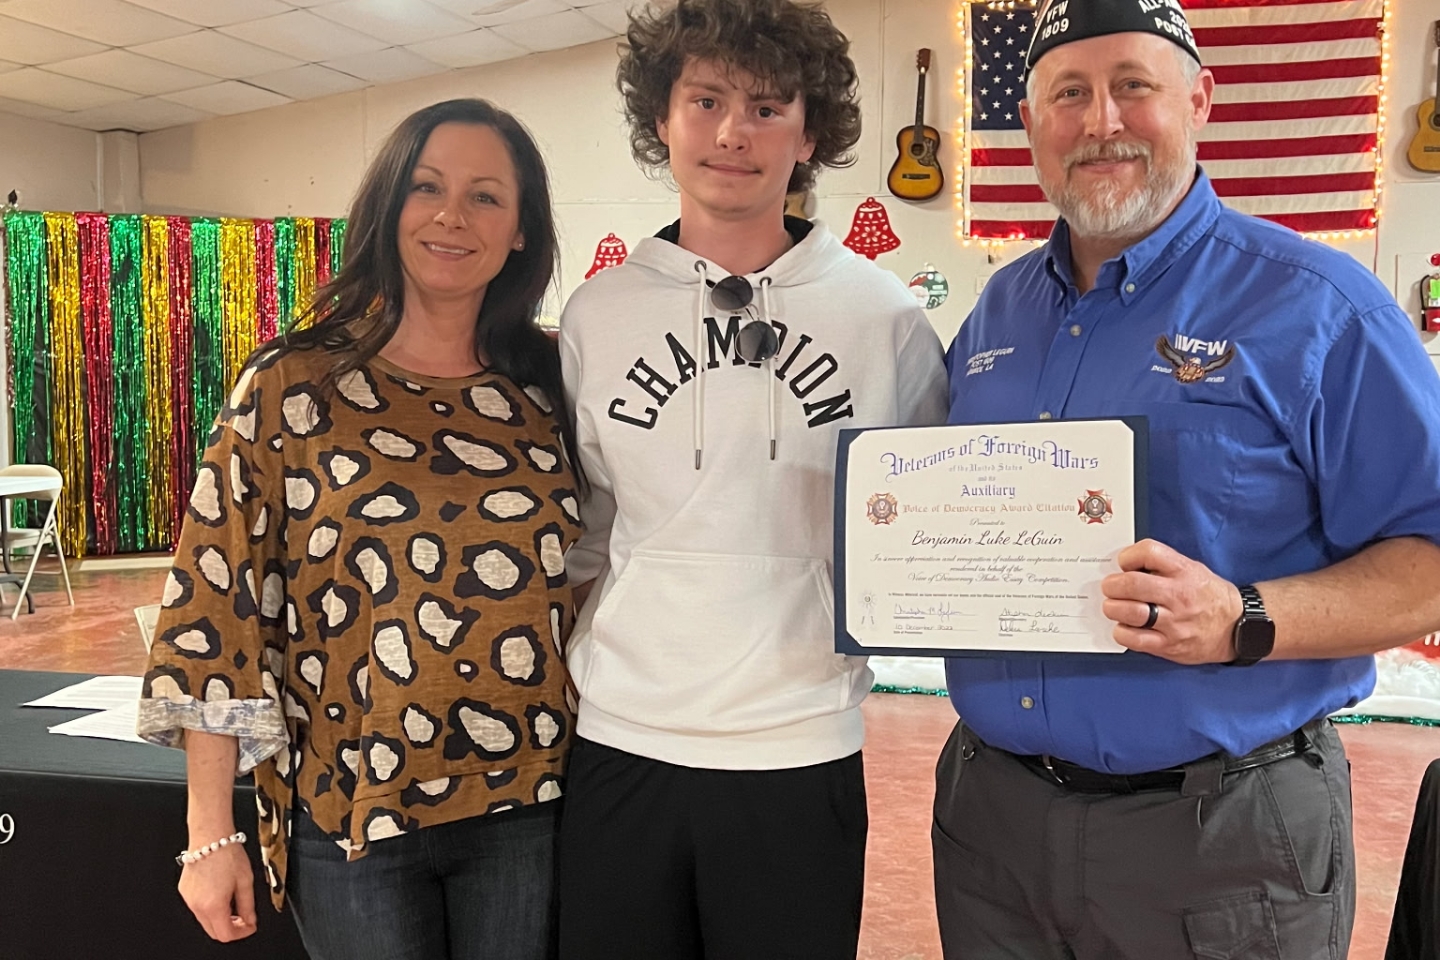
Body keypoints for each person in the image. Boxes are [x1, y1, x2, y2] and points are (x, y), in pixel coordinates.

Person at [932, 1, 1440, 958]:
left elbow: (1431, 558)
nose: (1101, 122)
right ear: (1031, 123)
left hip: (1222, 842)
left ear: (1200, 99)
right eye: (1069, 94)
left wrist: (1245, 616)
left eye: (1133, 86)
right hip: (991, 832)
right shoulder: (999, 310)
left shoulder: (1321, 307)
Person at [137, 98, 583, 960]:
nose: (453, 216)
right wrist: (208, 832)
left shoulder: (551, 387)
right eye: (427, 187)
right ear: (388, 203)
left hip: (530, 803)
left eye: (486, 196)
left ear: (522, 230)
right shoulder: (292, 385)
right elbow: (213, 610)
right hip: (352, 813)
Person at [555, 0, 949, 956]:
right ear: (662, 118)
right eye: (706, 101)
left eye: (768, 107)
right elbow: (586, 531)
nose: (734, 132)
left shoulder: (884, 319)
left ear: (810, 135)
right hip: (623, 738)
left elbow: (924, 524)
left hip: (800, 742)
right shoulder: (597, 315)